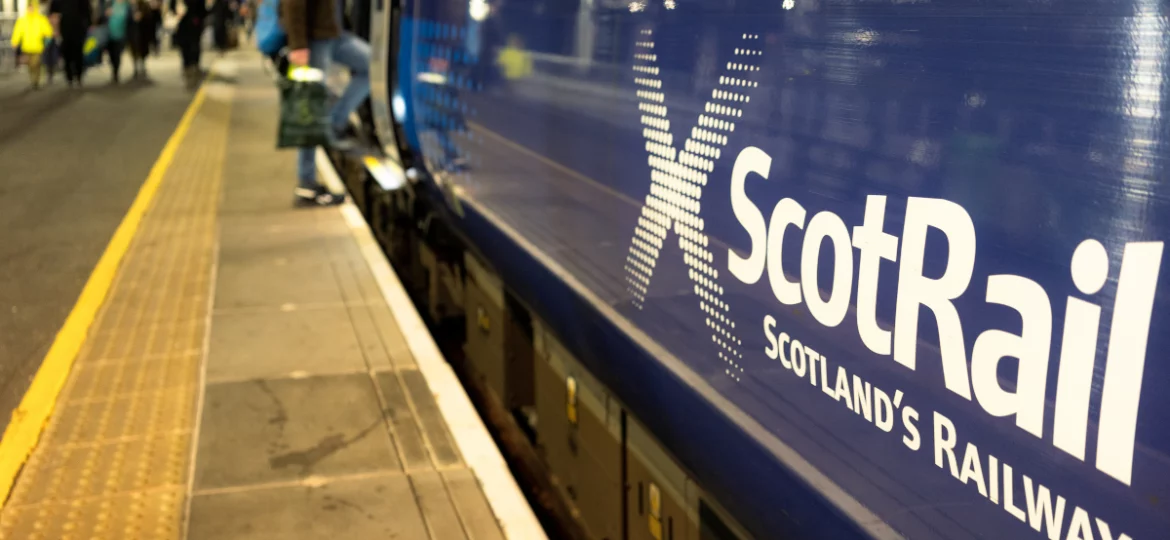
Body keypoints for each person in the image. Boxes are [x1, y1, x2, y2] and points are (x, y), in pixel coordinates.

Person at [281, 0, 370, 206]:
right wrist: (298, 45)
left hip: (333, 33)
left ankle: (334, 123)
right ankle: (306, 184)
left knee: (371, 65)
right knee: (311, 109)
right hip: (313, 40)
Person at [10, 0, 55, 89]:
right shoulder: (22, 20)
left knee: (36, 63)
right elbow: (17, 32)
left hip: (37, 47)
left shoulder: (40, 19)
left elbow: (48, 31)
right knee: (30, 65)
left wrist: (47, 40)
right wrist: (15, 41)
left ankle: (36, 80)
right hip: (26, 47)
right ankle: (33, 80)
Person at [50, 0, 94, 88]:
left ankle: (78, 76)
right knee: (67, 55)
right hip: (65, 31)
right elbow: (53, 14)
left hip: (79, 31)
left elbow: (88, 12)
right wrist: (55, 29)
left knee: (78, 54)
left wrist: (89, 26)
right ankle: (69, 77)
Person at [170, 0, 207, 88]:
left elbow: (202, 11)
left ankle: (193, 66)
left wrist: (197, 19)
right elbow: (172, 7)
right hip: (183, 26)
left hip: (194, 26)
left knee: (193, 47)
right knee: (185, 47)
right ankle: (188, 67)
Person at [104, 0, 131, 83]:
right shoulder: (110, 3)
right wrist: (106, 14)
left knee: (117, 54)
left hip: (122, 34)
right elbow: (102, 16)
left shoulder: (127, 5)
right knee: (111, 54)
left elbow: (130, 19)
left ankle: (116, 72)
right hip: (109, 34)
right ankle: (113, 69)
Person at [128, 0, 155, 79]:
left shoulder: (144, 6)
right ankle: (135, 68)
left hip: (143, 33)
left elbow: (150, 19)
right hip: (132, 33)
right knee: (134, 51)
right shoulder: (129, 6)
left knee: (143, 50)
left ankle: (142, 66)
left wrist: (142, 16)